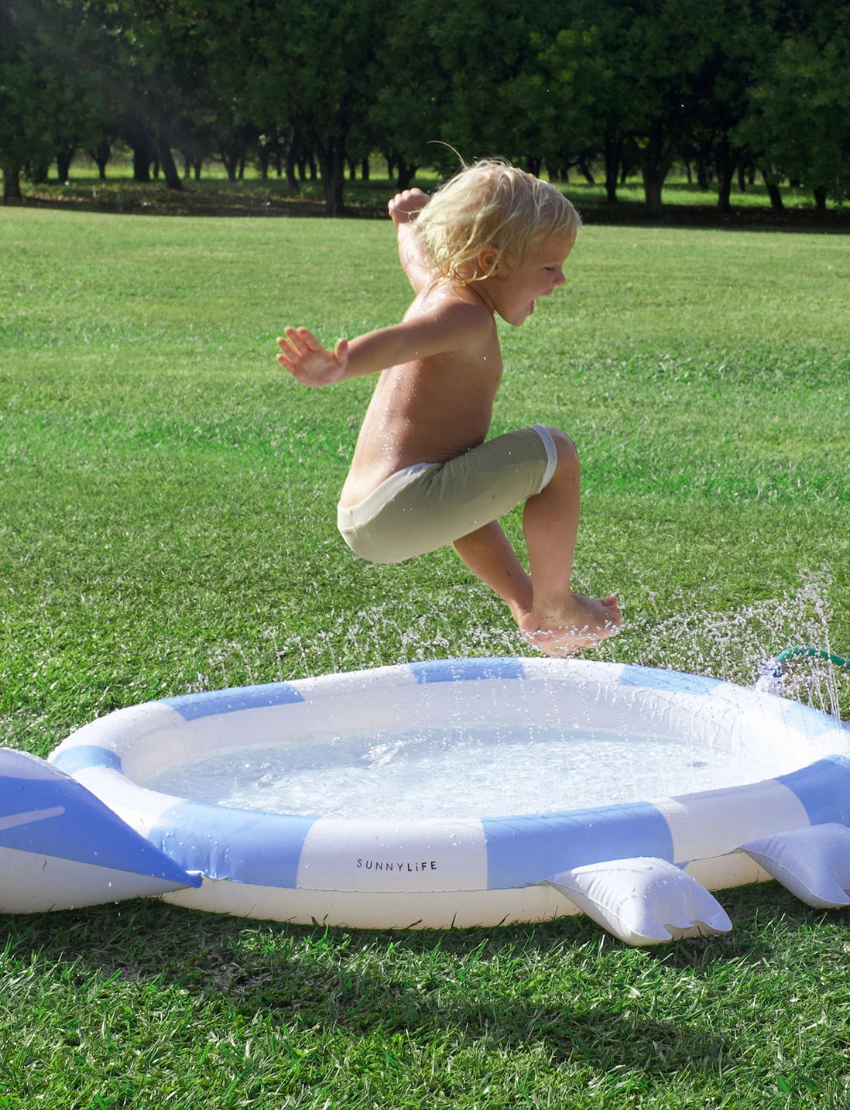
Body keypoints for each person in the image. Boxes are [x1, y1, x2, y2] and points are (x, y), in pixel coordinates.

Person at [276, 159, 621, 654]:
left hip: (371, 512)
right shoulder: (464, 316)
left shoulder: (445, 291)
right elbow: (401, 341)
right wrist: (339, 366)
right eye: (547, 267)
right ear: (487, 262)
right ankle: (555, 607)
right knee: (557, 454)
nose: (560, 280)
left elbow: (417, 261)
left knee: (467, 486)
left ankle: (528, 608)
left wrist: (406, 224)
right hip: (400, 502)